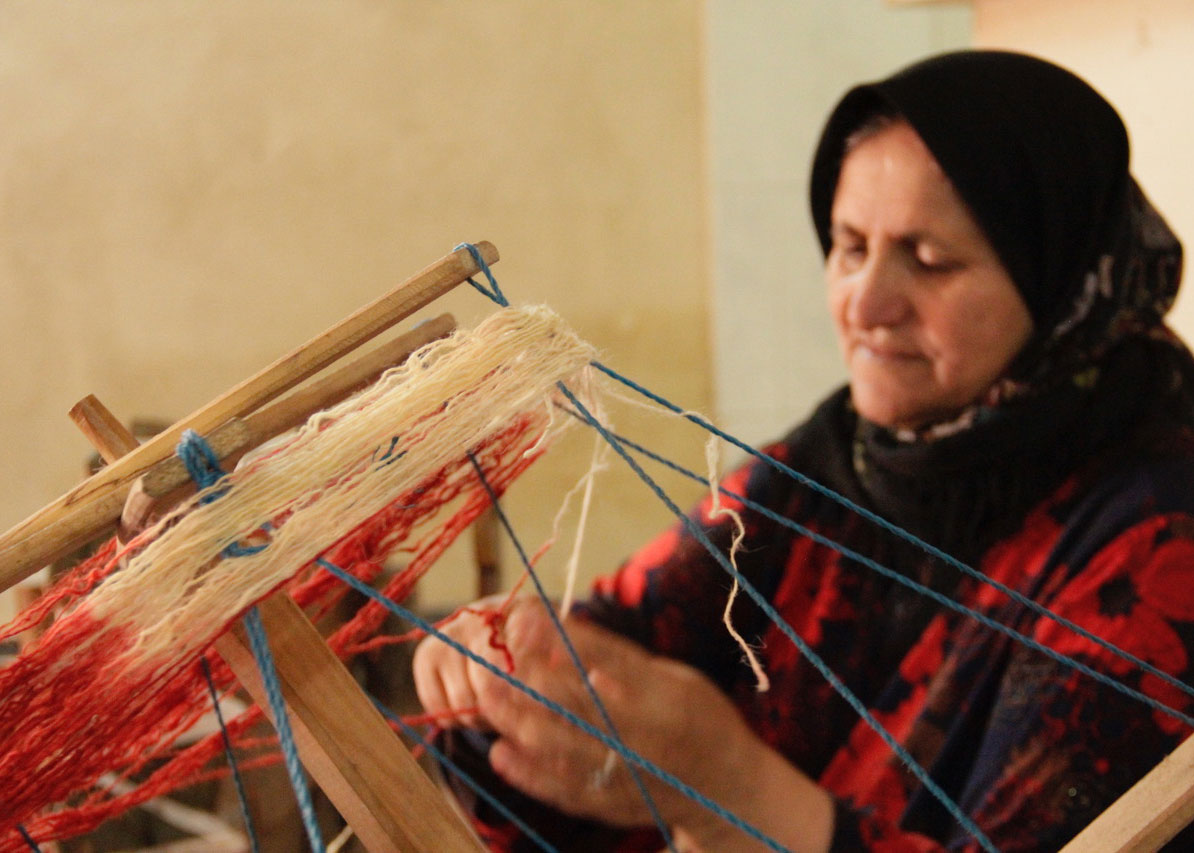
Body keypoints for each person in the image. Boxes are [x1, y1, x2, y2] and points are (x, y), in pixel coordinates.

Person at [413, 50, 1194, 852]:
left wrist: (730, 787)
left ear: (1061, 278)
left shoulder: (1162, 536)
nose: (866, 302)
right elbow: (615, 657)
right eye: (850, 247)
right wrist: (502, 682)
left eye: (931, 261)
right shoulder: (831, 467)